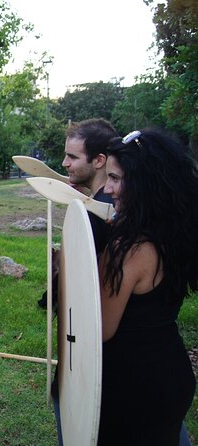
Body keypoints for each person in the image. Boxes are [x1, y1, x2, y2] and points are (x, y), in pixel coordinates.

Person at [97, 128, 197, 444]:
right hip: (171, 372)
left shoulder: (130, 248)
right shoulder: (177, 232)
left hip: (131, 385)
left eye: (115, 178)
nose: (107, 188)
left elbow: (100, 328)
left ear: (143, 183)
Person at [39, 118, 119, 309]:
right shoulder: (112, 201)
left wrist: (50, 298)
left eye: (72, 157)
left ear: (99, 160)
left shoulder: (96, 212)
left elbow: (76, 278)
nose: (64, 163)